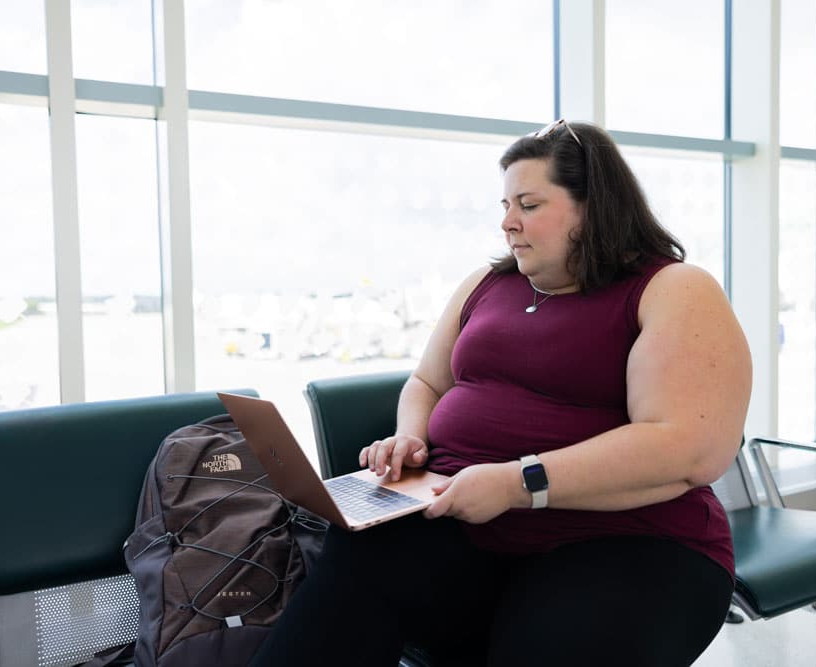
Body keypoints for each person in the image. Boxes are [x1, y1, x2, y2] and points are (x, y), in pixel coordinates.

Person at [250, 120, 752, 666]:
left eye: (529, 205)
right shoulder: (488, 284)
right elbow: (427, 382)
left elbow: (690, 449)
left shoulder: (672, 288)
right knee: (361, 551)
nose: (508, 223)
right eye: (505, 205)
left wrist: (519, 483)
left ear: (595, 206)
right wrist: (409, 438)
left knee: (550, 641)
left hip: (630, 541)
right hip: (470, 527)